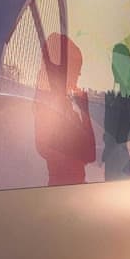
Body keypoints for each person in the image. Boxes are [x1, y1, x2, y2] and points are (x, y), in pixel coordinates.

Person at [33, 33, 96, 185]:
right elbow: (89, 154)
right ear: (63, 68)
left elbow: (89, 154)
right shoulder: (50, 106)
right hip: (66, 190)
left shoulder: (55, 103)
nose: (78, 77)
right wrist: (85, 111)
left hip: (70, 189)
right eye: (76, 70)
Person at [102, 43, 130, 180]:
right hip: (114, 159)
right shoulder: (116, 94)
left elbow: (123, 133)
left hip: (119, 160)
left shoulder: (128, 96)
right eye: (113, 62)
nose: (113, 67)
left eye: (117, 63)